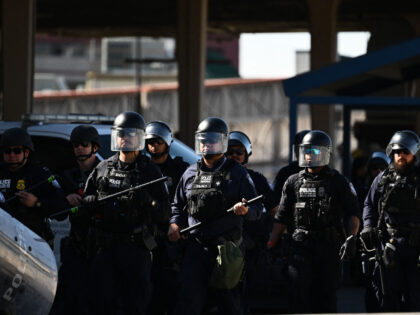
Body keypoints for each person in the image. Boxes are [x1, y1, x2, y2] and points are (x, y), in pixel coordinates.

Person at [167, 117, 262, 315]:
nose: (207, 144)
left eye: (212, 140)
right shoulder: (190, 172)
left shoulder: (237, 173)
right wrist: (175, 224)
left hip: (227, 250)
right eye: (203, 140)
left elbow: (257, 209)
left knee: (230, 305)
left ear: (222, 142)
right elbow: (177, 206)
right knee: (188, 303)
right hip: (196, 248)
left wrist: (245, 210)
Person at [82, 111, 170, 314]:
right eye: (121, 134)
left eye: (130, 134)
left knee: (135, 304)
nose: (124, 139)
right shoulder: (103, 168)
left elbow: (164, 213)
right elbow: (84, 203)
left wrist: (148, 201)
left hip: (135, 248)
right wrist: (92, 202)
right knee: (102, 302)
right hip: (105, 247)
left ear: (139, 137)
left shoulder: (150, 171)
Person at [267, 130, 360, 313]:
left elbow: (353, 213)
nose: (310, 156)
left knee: (326, 297)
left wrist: (352, 238)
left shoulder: (338, 182)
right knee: (299, 296)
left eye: (315, 151)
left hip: (329, 247)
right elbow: (282, 217)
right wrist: (271, 244)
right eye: (307, 151)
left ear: (325, 153)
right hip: (300, 246)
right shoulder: (292, 181)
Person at [361, 130, 420, 312]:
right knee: (387, 295)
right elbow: (369, 205)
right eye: (396, 152)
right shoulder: (383, 179)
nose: (400, 156)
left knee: (414, 296)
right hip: (390, 244)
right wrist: (368, 227)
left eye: (405, 152)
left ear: (413, 154)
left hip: (416, 246)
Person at [50, 125, 102, 315]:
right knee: (69, 296)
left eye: (84, 144)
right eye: (75, 145)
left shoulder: (106, 172)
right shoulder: (66, 176)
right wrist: (66, 199)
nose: (79, 148)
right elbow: (55, 209)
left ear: (94, 147)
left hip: (102, 244)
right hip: (77, 243)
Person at [226, 131, 278, 310]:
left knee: (254, 299)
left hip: (252, 249)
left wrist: (275, 240)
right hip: (224, 247)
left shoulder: (257, 179)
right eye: (229, 151)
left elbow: (275, 211)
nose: (234, 155)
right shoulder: (217, 178)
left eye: (239, 152)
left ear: (247, 154)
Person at [145, 121, 190, 315]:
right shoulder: (141, 169)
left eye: (158, 141)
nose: (153, 145)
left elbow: (188, 203)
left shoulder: (181, 169)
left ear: (167, 143)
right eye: (149, 142)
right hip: (145, 238)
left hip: (173, 239)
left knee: (172, 293)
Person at [0, 127, 68, 245]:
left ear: (26, 152)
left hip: (32, 242)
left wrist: (36, 202)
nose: (12, 155)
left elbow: (62, 211)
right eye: (7, 151)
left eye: (17, 151)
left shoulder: (39, 174)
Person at [272, 130, 310, 212]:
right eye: (301, 149)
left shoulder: (325, 173)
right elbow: (275, 202)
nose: (306, 154)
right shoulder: (286, 173)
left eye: (309, 150)